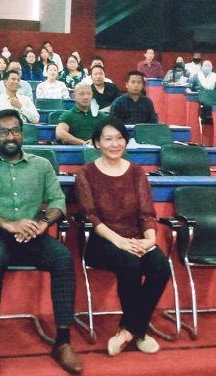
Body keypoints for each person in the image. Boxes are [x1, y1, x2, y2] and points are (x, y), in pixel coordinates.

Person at [0, 109, 83, 376]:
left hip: (33, 234)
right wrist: (7, 224)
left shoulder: (41, 165)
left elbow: (57, 202)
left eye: (15, 130)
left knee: (63, 258)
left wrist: (42, 223)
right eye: (3, 132)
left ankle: (62, 341)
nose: (11, 136)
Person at [75, 118, 170, 356]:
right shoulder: (85, 173)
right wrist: (118, 241)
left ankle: (129, 330)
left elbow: (147, 213)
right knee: (130, 265)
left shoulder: (137, 172)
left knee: (160, 267)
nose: (115, 144)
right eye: (108, 139)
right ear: (97, 142)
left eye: (119, 138)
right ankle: (140, 331)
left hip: (136, 238)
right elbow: (91, 216)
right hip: (101, 241)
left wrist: (150, 240)